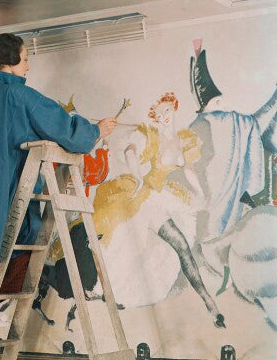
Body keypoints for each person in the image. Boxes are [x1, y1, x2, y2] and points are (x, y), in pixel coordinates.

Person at [0, 33, 116, 360]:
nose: (28, 65)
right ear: (12, 61)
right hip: (8, 206)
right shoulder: (19, 96)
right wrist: (97, 131)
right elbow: (64, 129)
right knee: (4, 277)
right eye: (26, 58)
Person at [92, 92, 224, 327]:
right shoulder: (150, 136)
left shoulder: (184, 140)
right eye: (159, 113)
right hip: (146, 199)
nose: (164, 116)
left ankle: (209, 303)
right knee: (129, 248)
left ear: (174, 108)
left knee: (182, 246)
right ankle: (106, 291)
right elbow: (130, 151)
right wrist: (137, 177)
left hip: (163, 200)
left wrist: (202, 196)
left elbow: (190, 171)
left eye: (167, 111)